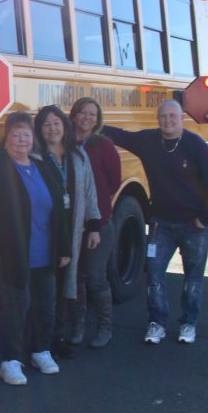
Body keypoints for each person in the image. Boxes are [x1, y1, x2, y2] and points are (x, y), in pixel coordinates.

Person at [102, 100, 208, 345]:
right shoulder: (149, 141)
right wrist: (92, 123)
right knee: (154, 276)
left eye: (172, 116)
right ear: (158, 120)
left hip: (193, 225)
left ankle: (188, 323)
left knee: (193, 278)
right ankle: (157, 323)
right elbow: (121, 136)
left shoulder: (195, 145)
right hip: (161, 225)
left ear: (181, 118)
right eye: (163, 117)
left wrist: (205, 218)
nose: (167, 120)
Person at [0, 111, 71, 386]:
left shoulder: (42, 167)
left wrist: (63, 248)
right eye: (15, 136)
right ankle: (11, 360)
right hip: (14, 254)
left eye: (26, 135)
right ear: (6, 140)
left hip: (45, 253)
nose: (21, 141)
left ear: (33, 139)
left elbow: (59, 212)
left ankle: (40, 351)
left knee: (46, 306)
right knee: (16, 308)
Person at [34, 105, 100, 359]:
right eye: (46, 124)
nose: (52, 128)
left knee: (65, 286)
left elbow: (89, 191)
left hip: (71, 231)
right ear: (40, 130)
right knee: (44, 289)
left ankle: (57, 337)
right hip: (44, 232)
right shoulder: (36, 158)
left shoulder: (78, 156)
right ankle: (40, 340)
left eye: (56, 123)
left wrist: (93, 225)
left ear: (65, 125)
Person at [69, 97, 121, 348]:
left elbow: (113, 183)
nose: (87, 118)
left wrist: (96, 219)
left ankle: (105, 327)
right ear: (74, 116)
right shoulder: (64, 145)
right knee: (75, 278)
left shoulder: (103, 146)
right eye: (82, 113)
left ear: (97, 119)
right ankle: (77, 328)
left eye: (92, 114)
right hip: (72, 225)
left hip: (98, 224)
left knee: (96, 277)